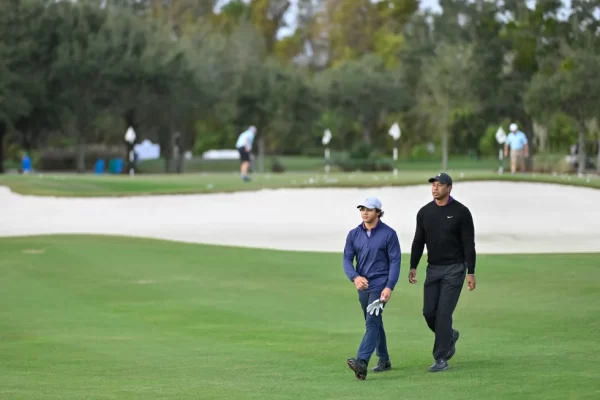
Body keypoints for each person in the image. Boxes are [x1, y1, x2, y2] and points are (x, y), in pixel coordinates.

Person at [408, 172, 476, 372]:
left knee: (444, 313)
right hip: (433, 268)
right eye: (433, 185)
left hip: (455, 268)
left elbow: (468, 244)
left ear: (449, 188)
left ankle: (441, 358)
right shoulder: (424, 212)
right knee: (429, 312)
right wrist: (413, 265)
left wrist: (471, 271)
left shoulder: (461, 212)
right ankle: (450, 335)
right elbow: (418, 241)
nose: (435, 188)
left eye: (439, 185)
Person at [343, 197, 401, 380]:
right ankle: (384, 360)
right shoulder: (354, 234)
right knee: (375, 323)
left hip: (380, 285)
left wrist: (389, 286)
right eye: (362, 209)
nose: (364, 212)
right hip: (363, 286)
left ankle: (362, 361)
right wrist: (355, 277)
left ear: (378, 212)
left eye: (369, 209)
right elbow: (347, 259)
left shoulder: (389, 234)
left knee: (371, 322)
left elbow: (395, 261)